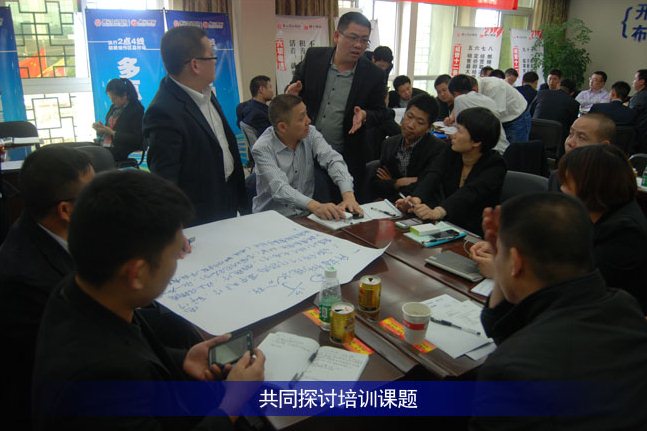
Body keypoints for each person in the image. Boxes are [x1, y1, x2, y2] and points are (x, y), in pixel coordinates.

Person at [32, 170, 266, 430]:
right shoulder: (99, 379)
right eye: (175, 254)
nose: (178, 262)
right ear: (137, 274)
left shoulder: (79, 289)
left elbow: (135, 345)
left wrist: (183, 358)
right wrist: (232, 403)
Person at [468, 193, 647, 430]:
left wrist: (503, 259)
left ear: (516, 262)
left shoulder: (509, 371)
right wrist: (502, 256)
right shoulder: (624, 305)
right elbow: (503, 328)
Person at [0, 146, 94, 428]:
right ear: (65, 210)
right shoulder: (26, 281)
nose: (102, 200)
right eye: (94, 193)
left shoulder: (51, 226)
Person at [143, 26, 248, 227]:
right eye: (212, 56)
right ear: (195, 65)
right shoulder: (163, 112)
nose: (215, 61)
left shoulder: (205, 92)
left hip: (227, 203)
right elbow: (165, 182)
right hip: (198, 219)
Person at [287, 12, 388, 201]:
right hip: (304, 149)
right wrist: (291, 93)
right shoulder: (314, 57)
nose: (358, 45)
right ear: (336, 36)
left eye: (364, 40)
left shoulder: (373, 74)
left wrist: (365, 115)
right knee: (302, 202)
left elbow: (382, 113)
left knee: (338, 205)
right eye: (353, 37)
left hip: (344, 155)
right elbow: (296, 85)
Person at [558, 144, 647, 312]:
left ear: (591, 185)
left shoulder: (625, 233)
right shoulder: (597, 214)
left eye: (567, 184)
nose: (562, 189)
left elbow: (583, 288)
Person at [396, 107, 506, 235]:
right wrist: (416, 198)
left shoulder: (495, 165)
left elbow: (470, 192)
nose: (452, 135)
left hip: (474, 231)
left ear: (476, 142)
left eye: (459, 131)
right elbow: (433, 174)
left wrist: (438, 211)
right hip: (446, 224)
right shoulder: (451, 151)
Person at [252, 94, 362, 219]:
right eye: (301, 118)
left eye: (306, 114)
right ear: (282, 127)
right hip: (273, 218)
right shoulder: (262, 148)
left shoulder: (310, 133)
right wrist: (317, 207)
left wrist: (348, 195)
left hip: (305, 215)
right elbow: (279, 188)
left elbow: (332, 159)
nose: (308, 121)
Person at [371, 94, 447, 202]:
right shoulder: (389, 143)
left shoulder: (438, 149)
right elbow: (377, 183)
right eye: (409, 116)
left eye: (420, 122)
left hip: (419, 205)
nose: (410, 125)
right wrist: (397, 182)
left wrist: (391, 183)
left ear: (429, 128)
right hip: (390, 203)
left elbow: (427, 187)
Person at [547, 112, 615, 190]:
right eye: (570, 134)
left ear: (603, 145)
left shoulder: (613, 184)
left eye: (581, 137)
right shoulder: (558, 177)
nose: (570, 142)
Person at [445, 74, 509, 154]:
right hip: (502, 147)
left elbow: (460, 126)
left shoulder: (459, 99)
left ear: (455, 93)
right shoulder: (488, 100)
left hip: (485, 150)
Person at [92, 78, 144, 162]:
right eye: (110, 98)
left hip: (122, 149)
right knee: (81, 149)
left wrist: (113, 133)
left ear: (125, 95)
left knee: (88, 154)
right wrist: (101, 128)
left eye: (114, 98)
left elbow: (136, 139)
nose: (112, 101)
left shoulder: (136, 110)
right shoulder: (114, 107)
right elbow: (108, 128)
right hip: (107, 144)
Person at [478, 76, 530, 143]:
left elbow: (494, 116)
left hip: (517, 118)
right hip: (502, 119)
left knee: (515, 148)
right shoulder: (476, 87)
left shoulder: (493, 86)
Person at [530, 78, 580, 145]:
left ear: (558, 85)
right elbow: (571, 126)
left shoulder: (541, 93)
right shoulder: (574, 103)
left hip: (533, 135)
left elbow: (530, 112)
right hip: (557, 141)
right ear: (572, 93)